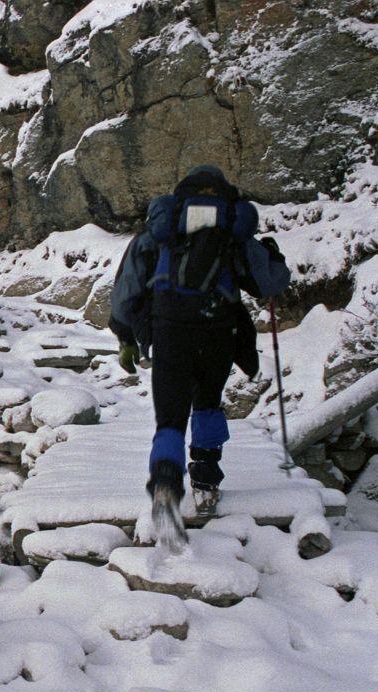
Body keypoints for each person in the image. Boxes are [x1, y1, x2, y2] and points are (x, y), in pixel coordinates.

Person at [109, 164, 291, 545]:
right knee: (207, 403)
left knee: (170, 418)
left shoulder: (162, 228)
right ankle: (206, 482)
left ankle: (165, 487)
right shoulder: (233, 229)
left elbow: (127, 288)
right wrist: (272, 253)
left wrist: (126, 335)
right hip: (218, 330)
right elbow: (271, 282)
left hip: (170, 330)